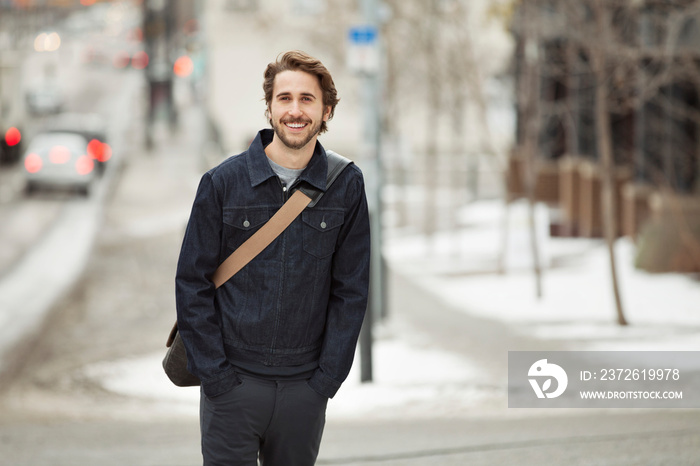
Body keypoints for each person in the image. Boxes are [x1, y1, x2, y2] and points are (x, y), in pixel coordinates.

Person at [175, 50, 371, 466]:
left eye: (307, 99)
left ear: (326, 110)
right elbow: (191, 283)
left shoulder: (347, 185)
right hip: (233, 386)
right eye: (284, 98)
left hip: (304, 389)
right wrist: (217, 377)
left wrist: (324, 382)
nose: (295, 110)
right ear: (269, 107)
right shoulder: (222, 183)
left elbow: (351, 291)